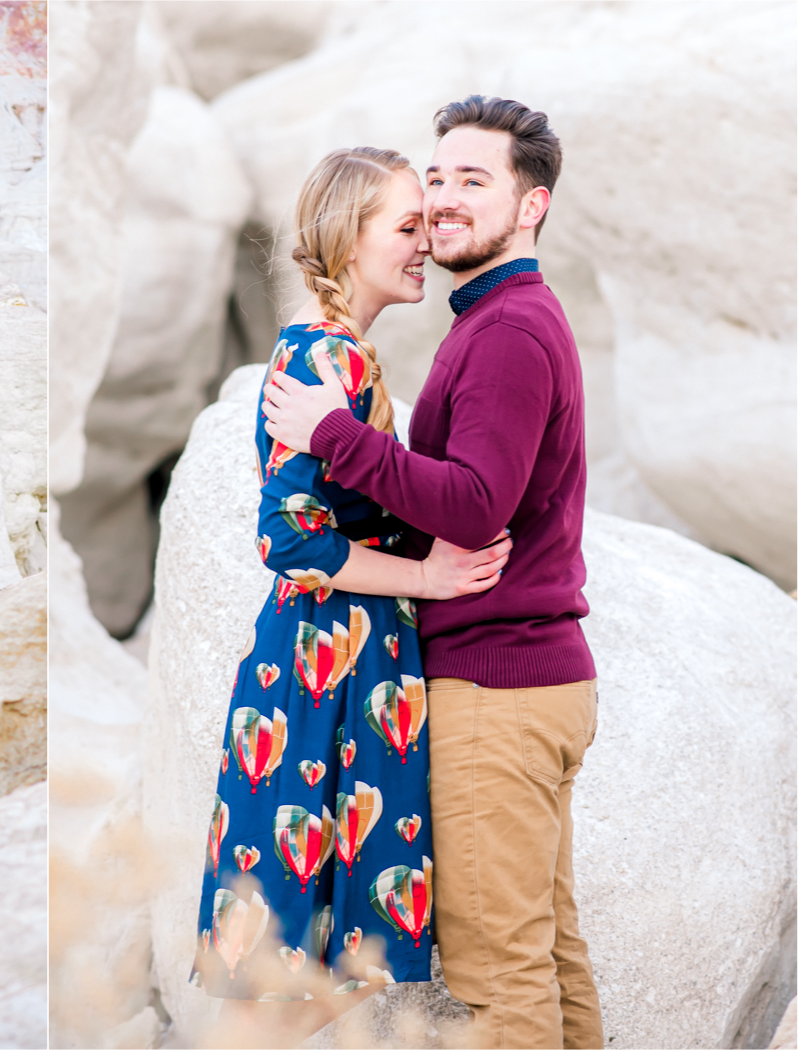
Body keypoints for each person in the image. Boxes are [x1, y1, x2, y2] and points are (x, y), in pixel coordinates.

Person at [262, 96, 604, 1050]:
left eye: (474, 181)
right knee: (545, 957)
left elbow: (474, 504)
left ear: (531, 206)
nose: (446, 201)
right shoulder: (498, 320)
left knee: (500, 983)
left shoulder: (505, 333)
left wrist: (331, 433)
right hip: (531, 678)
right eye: (436, 180)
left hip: (498, 687)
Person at [189, 145, 513, 1048]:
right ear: (347, 237)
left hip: (348, 664)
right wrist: (426, 576)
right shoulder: (327, 355)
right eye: (406, 228)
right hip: (325, 671)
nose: (426, 244)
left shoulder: (339, 351)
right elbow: (286, 539)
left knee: (323, 957)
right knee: (295, 969)